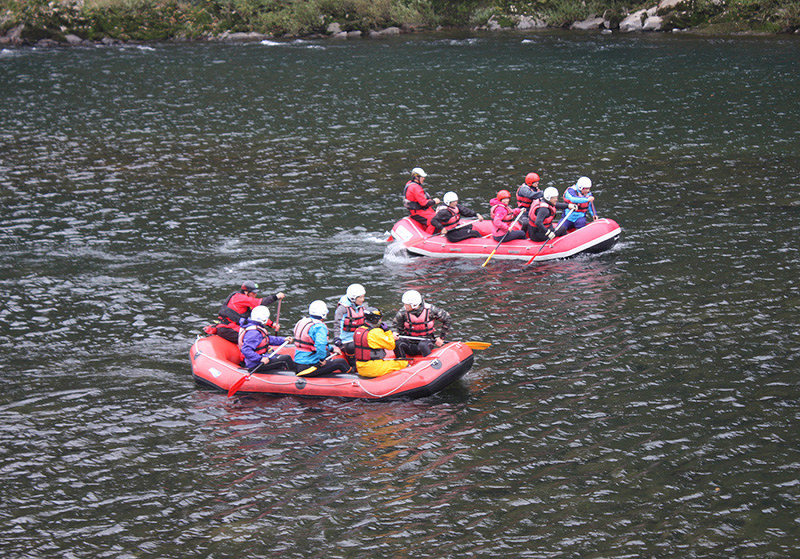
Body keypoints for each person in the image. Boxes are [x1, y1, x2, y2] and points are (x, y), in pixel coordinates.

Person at [208, 281, 285, 344]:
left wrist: (272, 324)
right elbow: (260, 302)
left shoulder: (246, 301)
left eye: (256, 292)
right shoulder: (241, 298)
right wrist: (276, 297)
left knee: (256, 333)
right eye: (253, 292)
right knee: (255, 336)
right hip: (228, 329)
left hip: (231, 328)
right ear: (246, 292)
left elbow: (256, 316)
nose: (255, 294)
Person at [293, 300, 351, 376]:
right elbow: (320, 344)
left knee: (326, 353)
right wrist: (322, 359)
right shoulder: (319, 327)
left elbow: (312, 344)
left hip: (298, 362)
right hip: (309, 367)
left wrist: (331, 349)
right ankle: (353, 379)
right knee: (341, 362)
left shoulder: (302, 322)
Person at [393, 290, 451, 357]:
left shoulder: (431, 310)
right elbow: (396, 326)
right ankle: (401, 363)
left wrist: (442, 338)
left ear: (414, 305)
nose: (405, 306)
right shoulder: (402, 313)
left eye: (407, 304)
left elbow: (447, 319)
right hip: (409, 342)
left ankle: (429, 364)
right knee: (397, 343)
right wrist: (395, 334)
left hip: (426, 341)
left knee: (423, 345)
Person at [353, 307, 409, 378]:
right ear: (375, 319)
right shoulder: (375, 332)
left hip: (360, 367)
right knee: (402, 363)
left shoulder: (358, 330)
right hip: (373, 368)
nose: (380, 320)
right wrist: (387, 331)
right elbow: (391, 346)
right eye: (379, 319)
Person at [238, 306, 295, 373]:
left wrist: (283, 340)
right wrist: (260, 359)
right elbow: (246, 350)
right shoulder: (253, 333)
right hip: (255, 364)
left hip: (263, 357)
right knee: (286, 359)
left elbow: (267, 339)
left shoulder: (255, 328)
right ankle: (296, 376)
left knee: (281, 357)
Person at [333, 283, 367, 363]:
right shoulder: (342, 309)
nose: (363, 299)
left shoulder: (361, 307)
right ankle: (353, 366)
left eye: (363, 297)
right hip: (346, 340)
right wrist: (337, 338)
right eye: (360, 297)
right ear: (353, 298)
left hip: (358, 337)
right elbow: (338, 324)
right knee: (351, 347)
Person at [403, 167, 441, 233]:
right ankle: (429, 236)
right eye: (422, 177)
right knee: (434, 220)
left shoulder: (410, 184)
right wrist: (434, 201)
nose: (424, 178)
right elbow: (423, 203)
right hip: (417, 212)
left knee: (439, 216)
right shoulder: (415, 188)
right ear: (417, 177)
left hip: (419, 210)